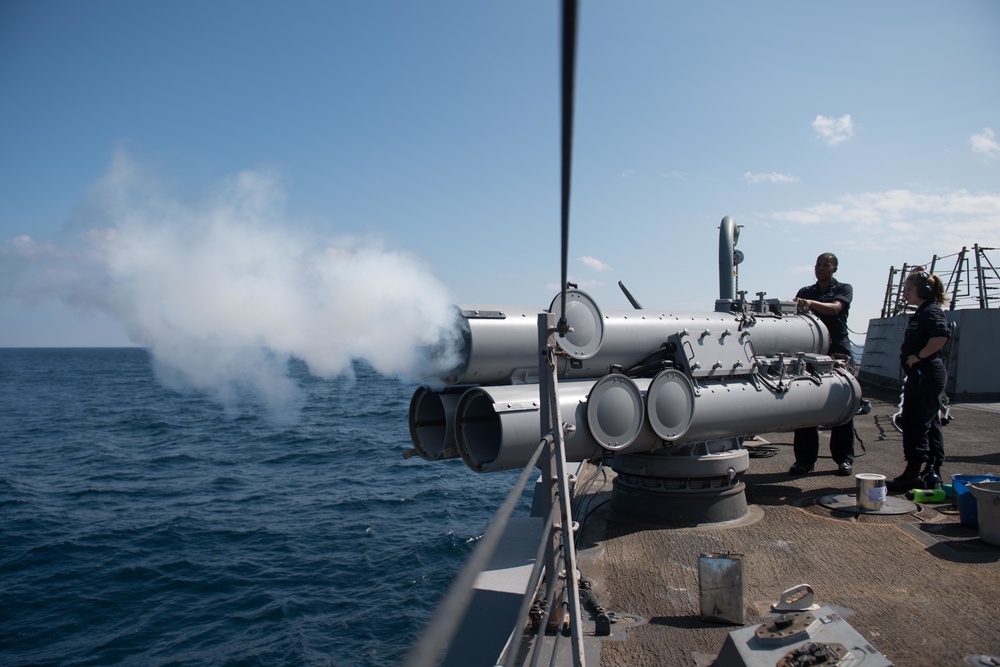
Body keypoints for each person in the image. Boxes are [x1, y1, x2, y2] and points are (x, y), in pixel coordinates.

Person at [788, 253, 856, 476]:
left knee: (842, 405)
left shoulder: (843, 289)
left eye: (826, 265)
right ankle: (805, 461)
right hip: (811, 351)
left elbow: (835, 308)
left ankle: (844, 459)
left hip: (837, 350)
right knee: (806, 406)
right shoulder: (805, 292)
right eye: (818, 265)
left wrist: (810, 304)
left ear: (835, 268)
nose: (820, 268)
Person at [887, 268, 951, 492]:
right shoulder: (925, 311)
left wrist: (919, 356)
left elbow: (941, 336)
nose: (904, 293)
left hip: (925, 373)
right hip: (925, 374)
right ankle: (932, 469)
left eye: (908, 289)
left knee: (914, 422)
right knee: (930, 423)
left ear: (923, 291)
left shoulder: (930, 312)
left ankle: (912, 472)